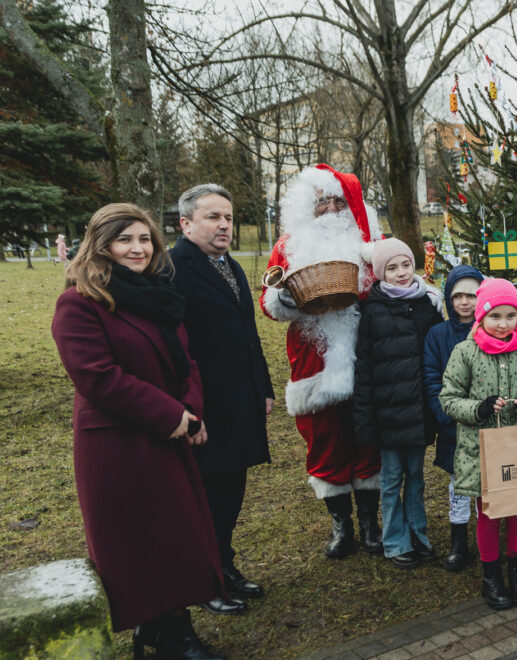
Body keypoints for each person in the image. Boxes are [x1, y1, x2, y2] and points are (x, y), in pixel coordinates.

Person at [52, 203, 225, 660]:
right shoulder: (79, 302)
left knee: (177, 532)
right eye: (125, 239)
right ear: (101, 244)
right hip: (119, 443)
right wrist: (173, 414)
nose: (137, 248)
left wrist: (191, 408)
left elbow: (184, 359)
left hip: (167, 432)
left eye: (145, 239)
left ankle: (165, 626)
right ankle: (166, 631)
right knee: (142, 539)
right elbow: (98, 378)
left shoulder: (156, 294)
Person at [260, 165, 384, 559]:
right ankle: (340, 524)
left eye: (338, 201)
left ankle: (370, 522)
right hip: (314, 361)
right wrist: (287, 300)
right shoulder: (289, 245)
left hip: (366, 355)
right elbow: (270, 300)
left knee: (368, 437)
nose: (331, 208)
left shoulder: (371, 241)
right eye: (322, 202)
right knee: (325, 439)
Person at [171, 184, 273, 614]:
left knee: (232, 489)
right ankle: (205, 579)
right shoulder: (175, 268)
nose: (224, 225)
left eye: (228, 217)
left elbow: (248, 335)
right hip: (206, 404)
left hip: (240, 398)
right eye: (213, 217)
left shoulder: (228, 264)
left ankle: (224, 566)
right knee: (207, 496)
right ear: (186, 223)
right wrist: (189, 407)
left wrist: (264, 386)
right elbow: (175, 347)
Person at [439, 278, 517, 609]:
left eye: (510, 316)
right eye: (495, 317)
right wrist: (478, 408)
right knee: (488, 515)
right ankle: (491, 575)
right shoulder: (466, 352)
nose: (503, 324)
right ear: (481, 317)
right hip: (482, 451)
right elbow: (448, 398)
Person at [354, 238, 443, 568]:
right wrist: (365, 421)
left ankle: (418, 532)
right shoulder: (372, 312)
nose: (401, 272)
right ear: (380, 274)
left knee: (416, 477)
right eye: (392, 268)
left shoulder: (427, 306)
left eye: (406, 264)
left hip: (418, 412)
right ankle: (395, 540)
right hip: (388, 414)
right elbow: (363, 371)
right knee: (391, 479)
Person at [424, 264, 485, 571]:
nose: (465, 302)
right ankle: (459, 540)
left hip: (488, 424)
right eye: (458, 295)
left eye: (472, 295)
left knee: (487, 482)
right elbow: (433, 377)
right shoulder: (438, 335)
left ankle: (486, 537)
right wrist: (446, 414)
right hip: (455, 426)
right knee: (459, 485)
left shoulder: (492, 330)